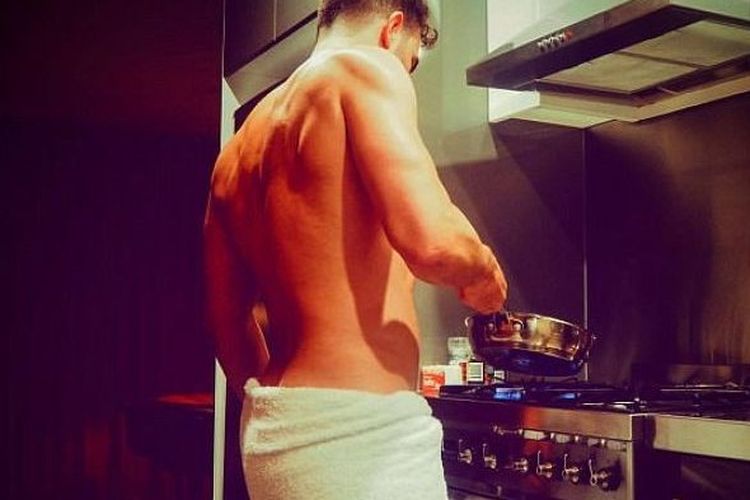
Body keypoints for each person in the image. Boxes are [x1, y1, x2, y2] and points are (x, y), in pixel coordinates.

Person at [203, 1, 507, 498]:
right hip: (362, 435)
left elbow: (225, 322)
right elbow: (433, 244)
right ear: (393, 30)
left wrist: (295, 418)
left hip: (274, 434)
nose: (404, 74)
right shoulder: (366, 68)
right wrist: (484, 271)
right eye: (411, 62)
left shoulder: (235, 152)